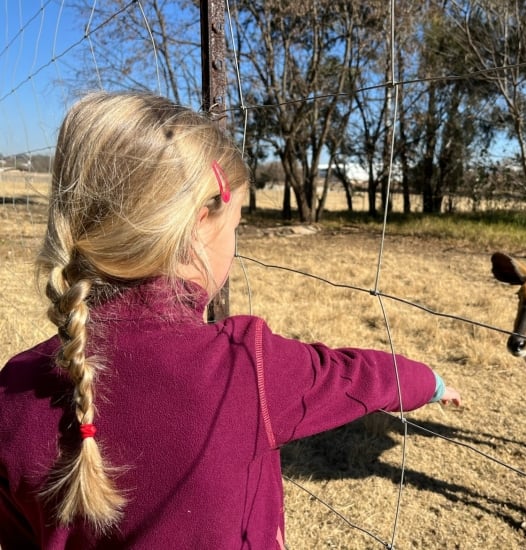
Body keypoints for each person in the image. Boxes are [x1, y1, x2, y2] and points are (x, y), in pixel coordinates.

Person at [0, 91, 461, 549]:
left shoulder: (13, 389)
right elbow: (356, 375)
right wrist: (431, 382)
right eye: (235, 225)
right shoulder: (247, 367)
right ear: (200, 224)